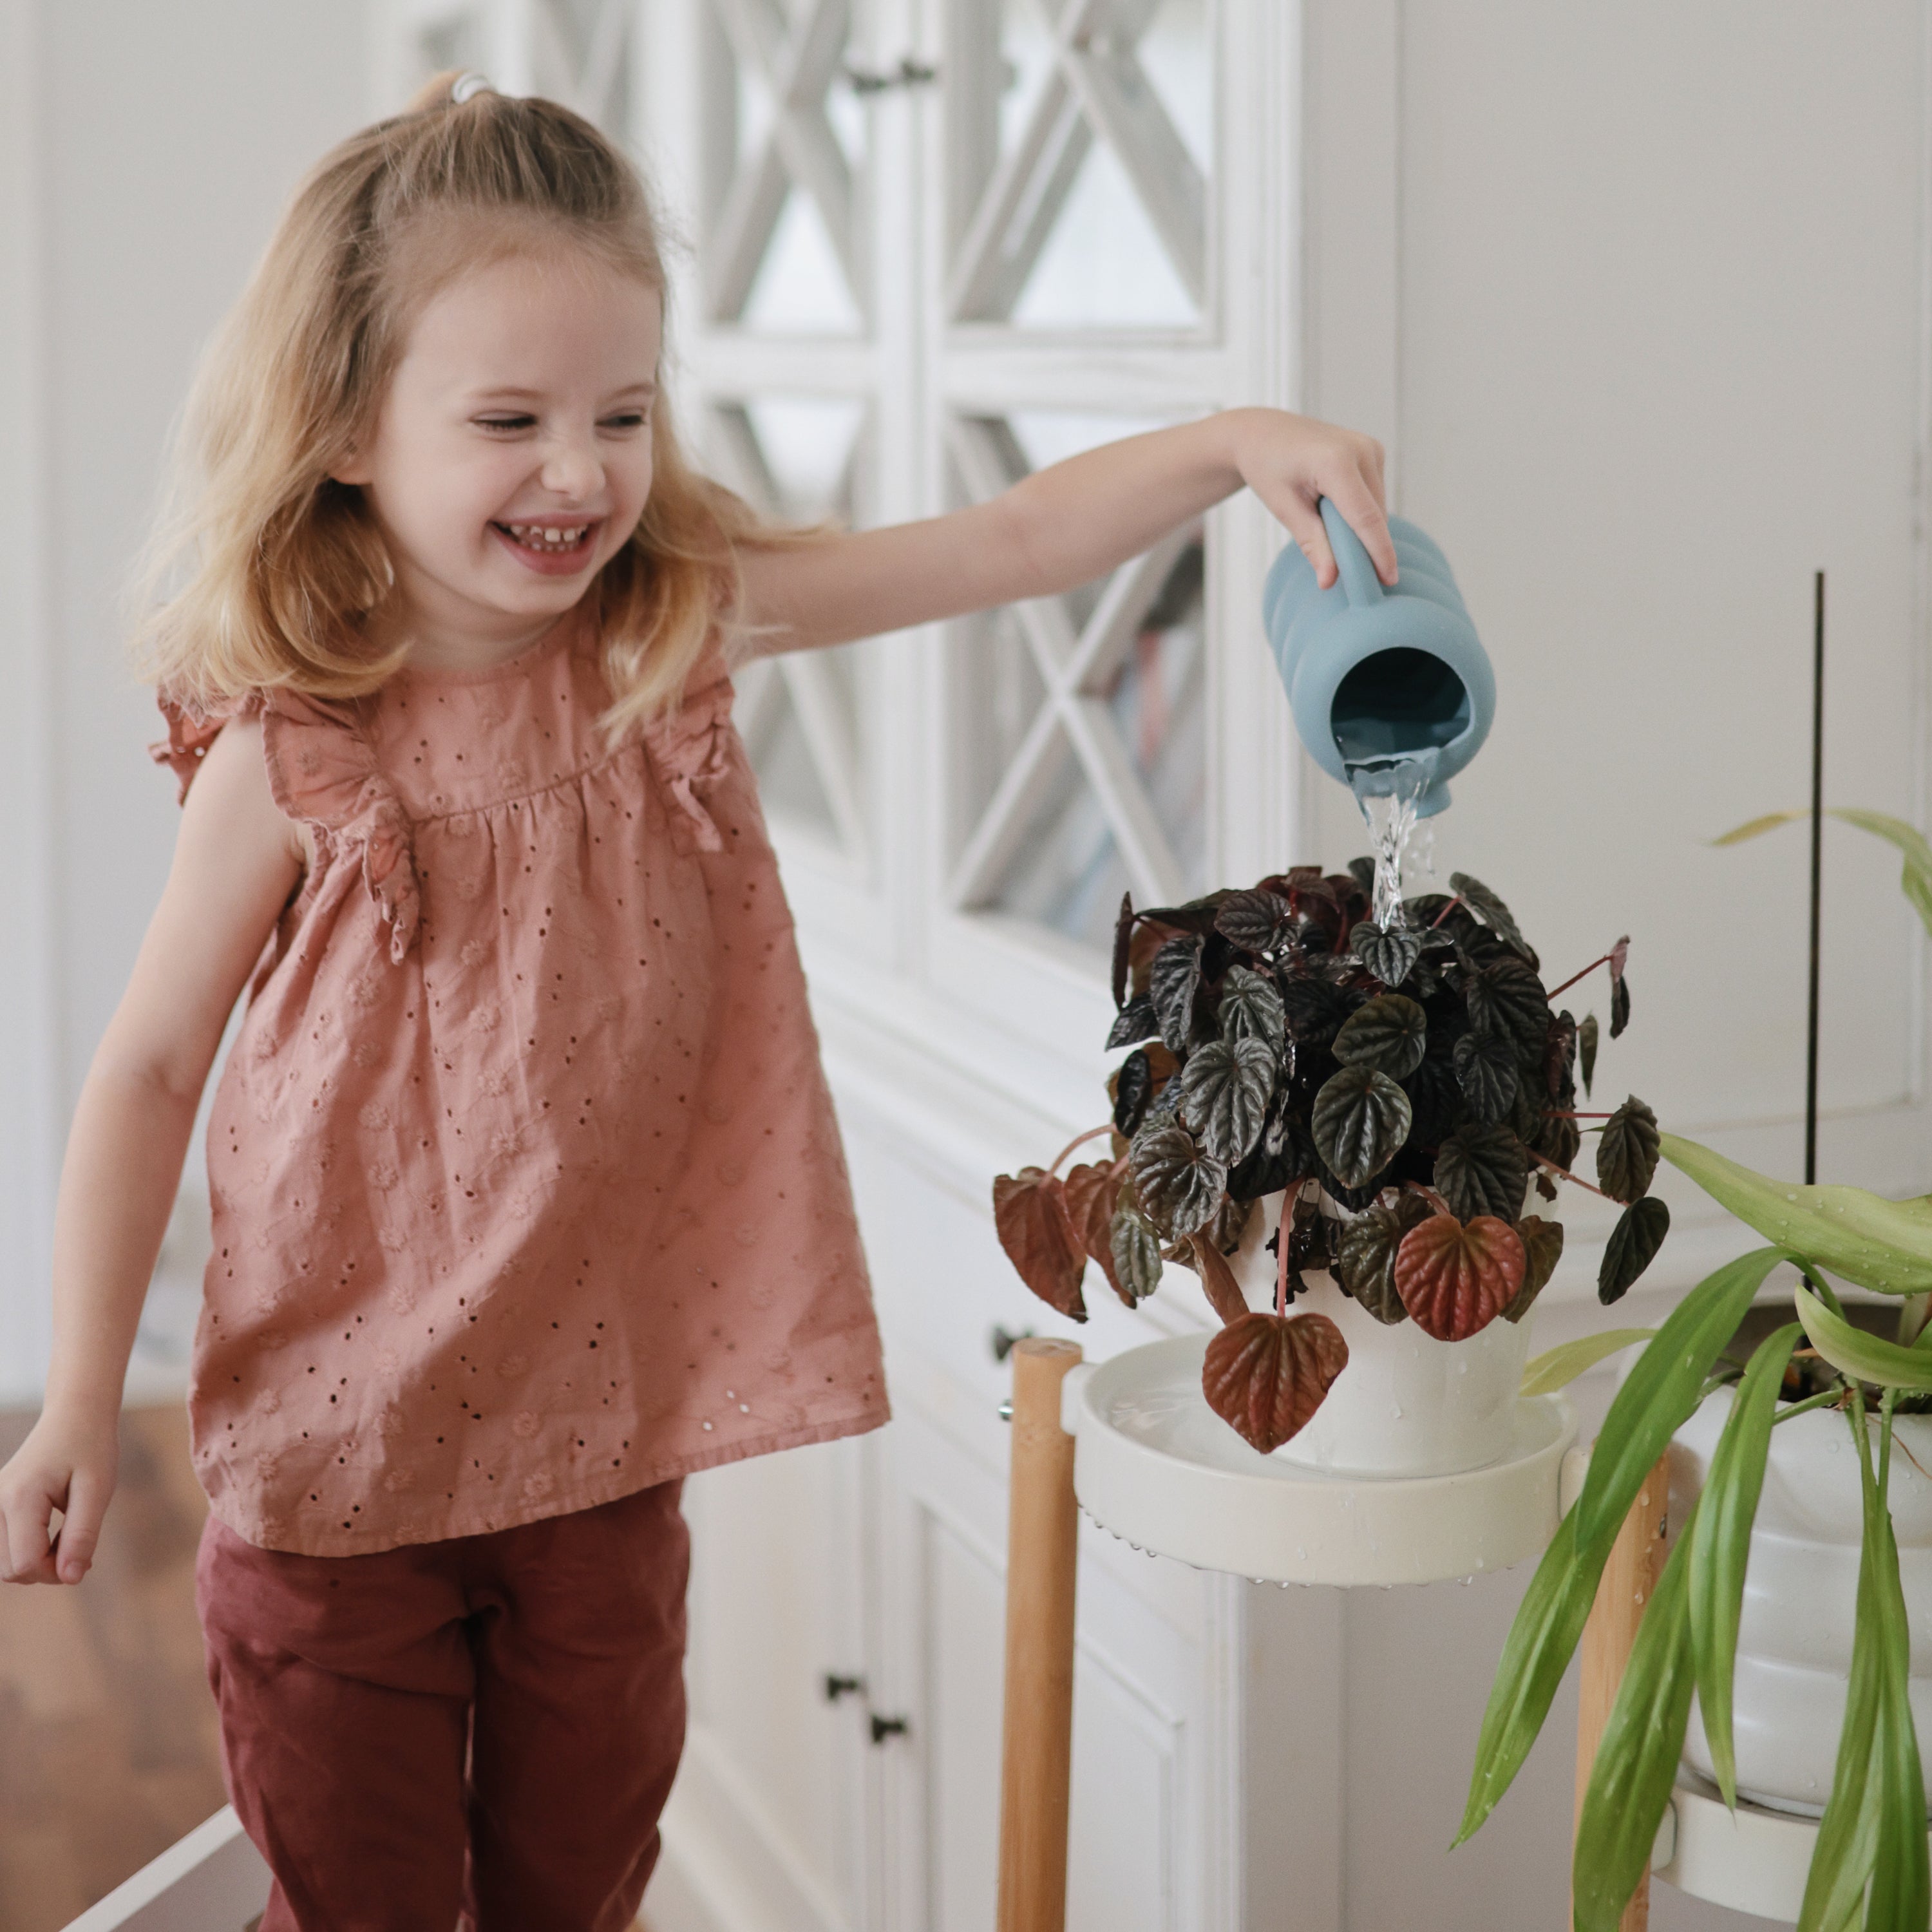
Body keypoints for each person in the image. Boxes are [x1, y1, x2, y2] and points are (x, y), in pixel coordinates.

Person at [0, 72, 1393, 1932]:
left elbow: (1001, 544)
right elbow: (152, 1061)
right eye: (509, 419)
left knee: (580, 1892)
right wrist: (82, 1396)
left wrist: (1225, 442)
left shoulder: (672, 638)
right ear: (343, 429)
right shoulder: (298, 750)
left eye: (622, 416)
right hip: (335, 1476)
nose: (578, 471)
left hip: (597, 1450)